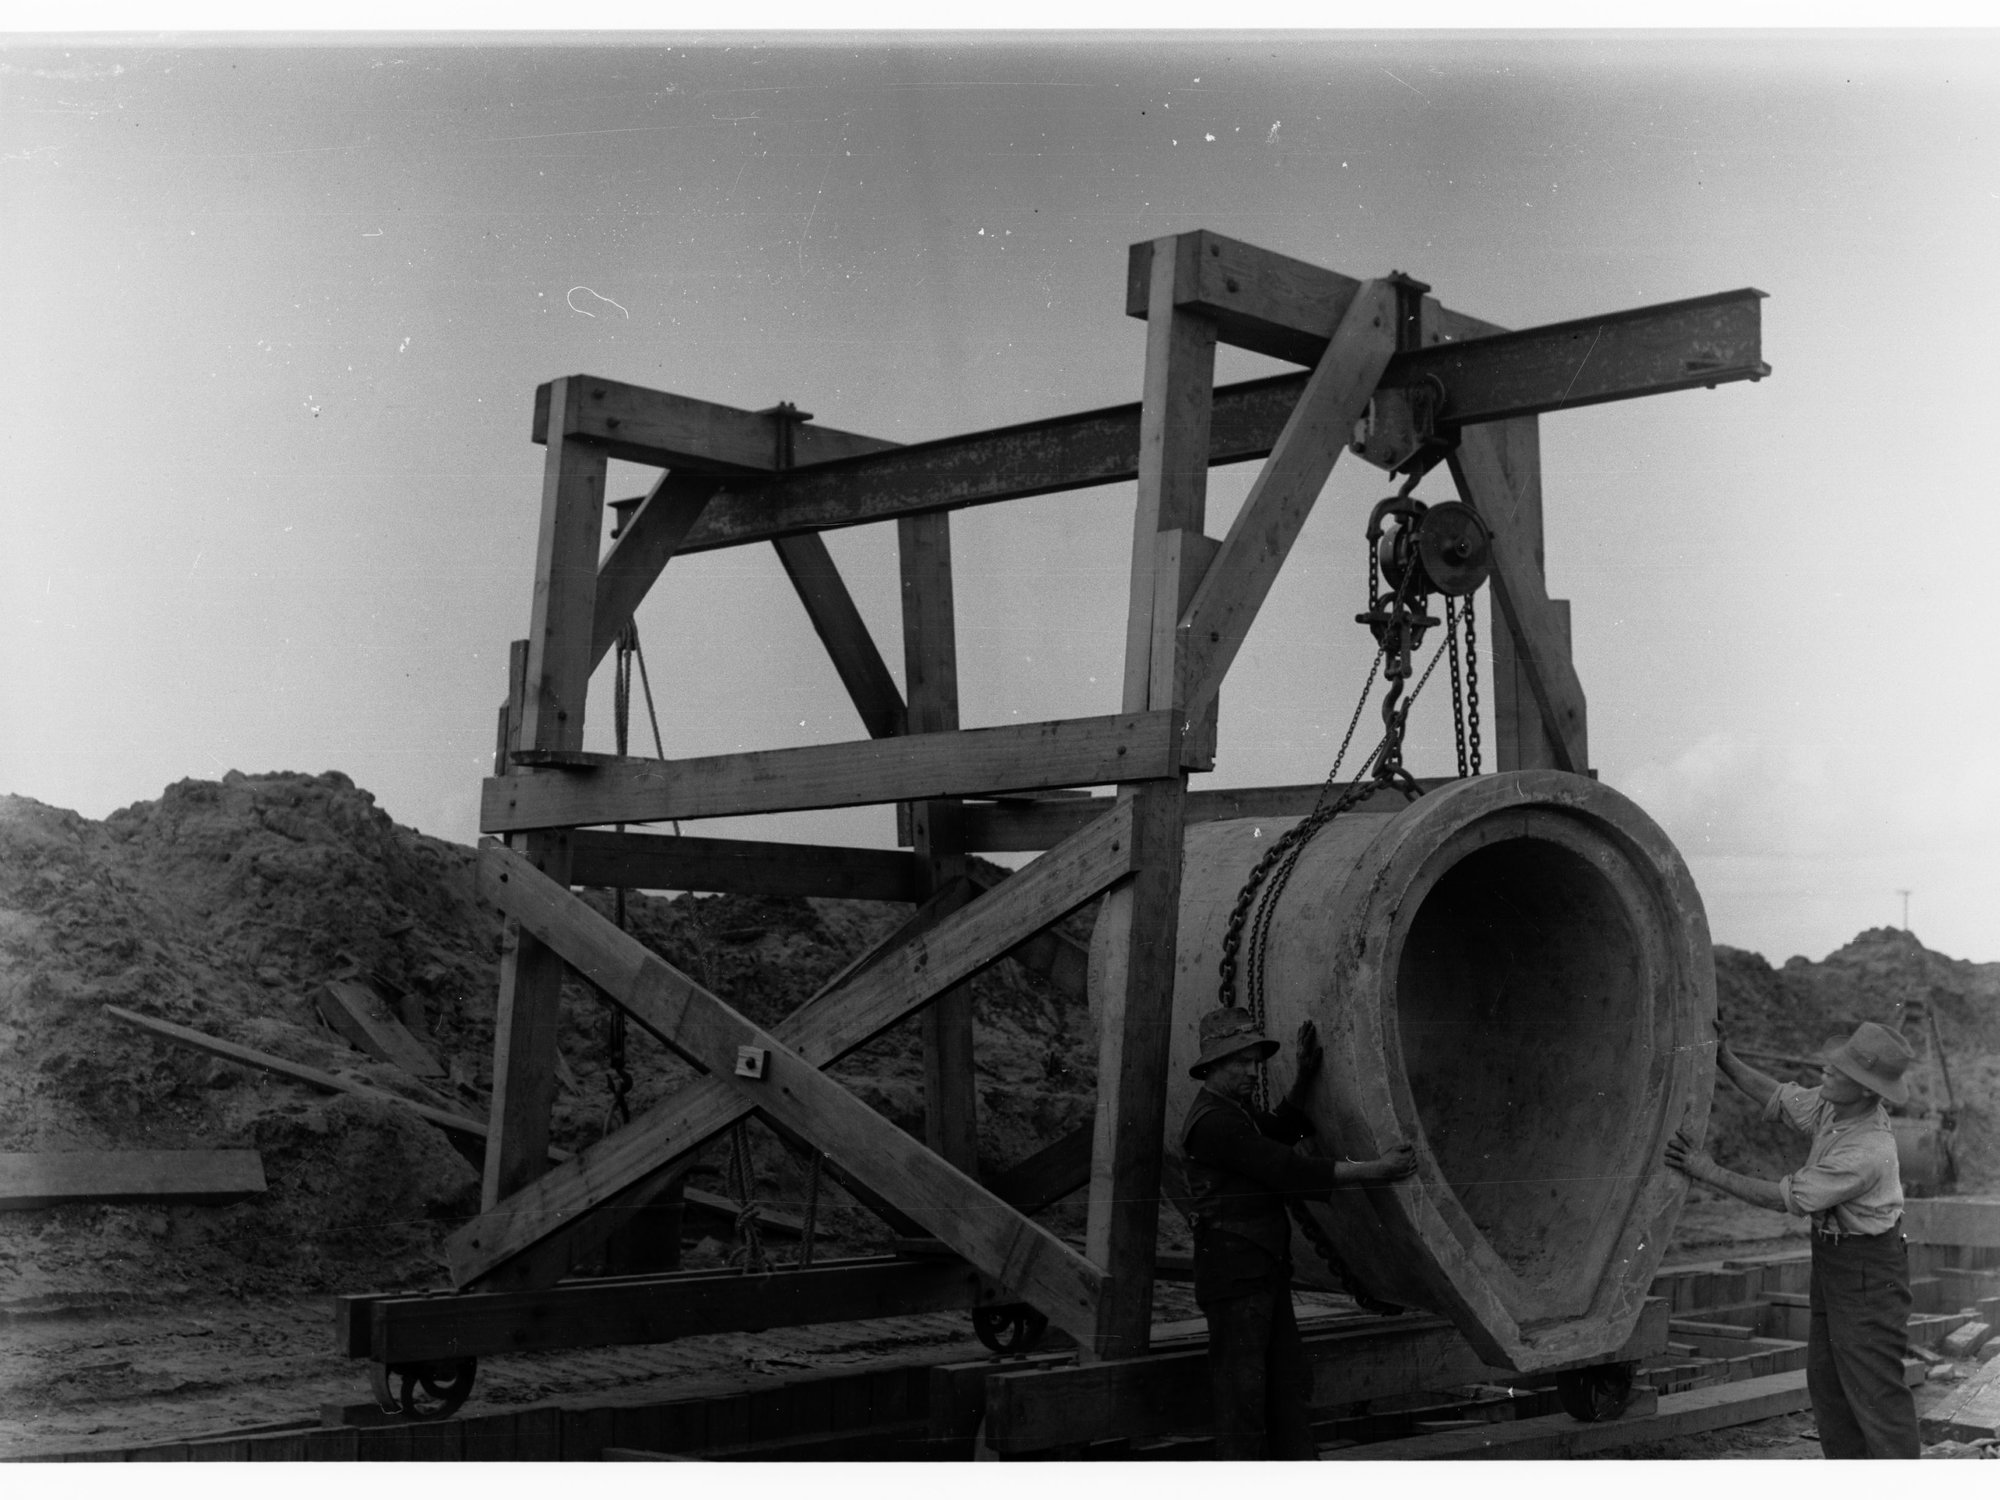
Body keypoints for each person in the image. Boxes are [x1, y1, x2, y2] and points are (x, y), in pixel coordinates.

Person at [1664, 1019, 1920, 1459]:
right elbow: (1779, 1097)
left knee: (1875, 1390)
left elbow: (1782, 1197)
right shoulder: (1836, 1106)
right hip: (1836, 1260)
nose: (1827, 1068)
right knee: (1827, 1381)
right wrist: (1725, 1058)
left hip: (1868, 1270)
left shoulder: (1865, 1151)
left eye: (1841, 1069)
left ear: (1865, 1089)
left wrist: (1707, 1170)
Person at [1179, 1006, 1418, 1460]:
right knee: (1243, 1397)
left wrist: (1305, 1078)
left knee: (1284, 1384)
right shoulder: (1214, 1123)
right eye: (1242, 1063)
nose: (1253, 1072)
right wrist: (1377, 1169)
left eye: (1255, 1062)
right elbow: (1287, 1168)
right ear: (1213, 1066)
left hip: (1258, 1272)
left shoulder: (1233, 1111)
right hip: (1236, 1281)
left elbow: (1278, 1131)